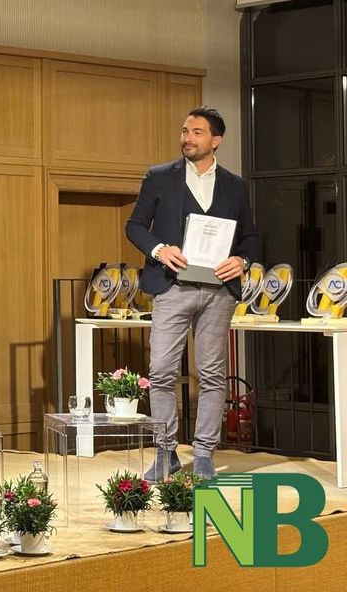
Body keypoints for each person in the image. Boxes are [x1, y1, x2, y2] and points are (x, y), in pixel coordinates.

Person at [126, 106, 261, 480]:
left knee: (213, 374)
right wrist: (159, 250)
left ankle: (204, 453)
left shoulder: (235, 186)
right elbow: (135, 226)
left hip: (219, 293)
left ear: (216, 140)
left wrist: (242, 260)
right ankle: (165, 451)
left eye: (196, 132)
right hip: (172, 287)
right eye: (185, 131)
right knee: (161, 371)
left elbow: (251, 237)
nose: (187, 137)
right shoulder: (159, 177)